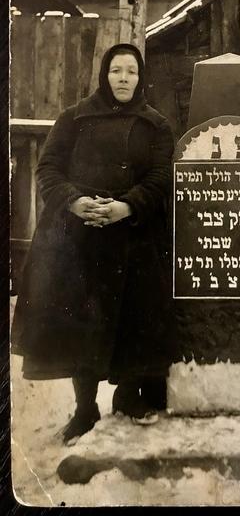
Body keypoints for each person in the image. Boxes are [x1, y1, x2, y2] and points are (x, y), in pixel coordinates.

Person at [11, 43, 175, 443]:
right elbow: (48, 168)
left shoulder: (156, 125)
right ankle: (85, 408)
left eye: (131, 72)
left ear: (140, 78)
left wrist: (127, 207)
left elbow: (160, 178)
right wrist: (75, 202)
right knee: (80, 323)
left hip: (135, 236)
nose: (123, 79)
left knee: (135, 319)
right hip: (77, 238)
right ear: (105, 75)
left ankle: (129, 396)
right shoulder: (73, 118)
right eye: (117, 71)